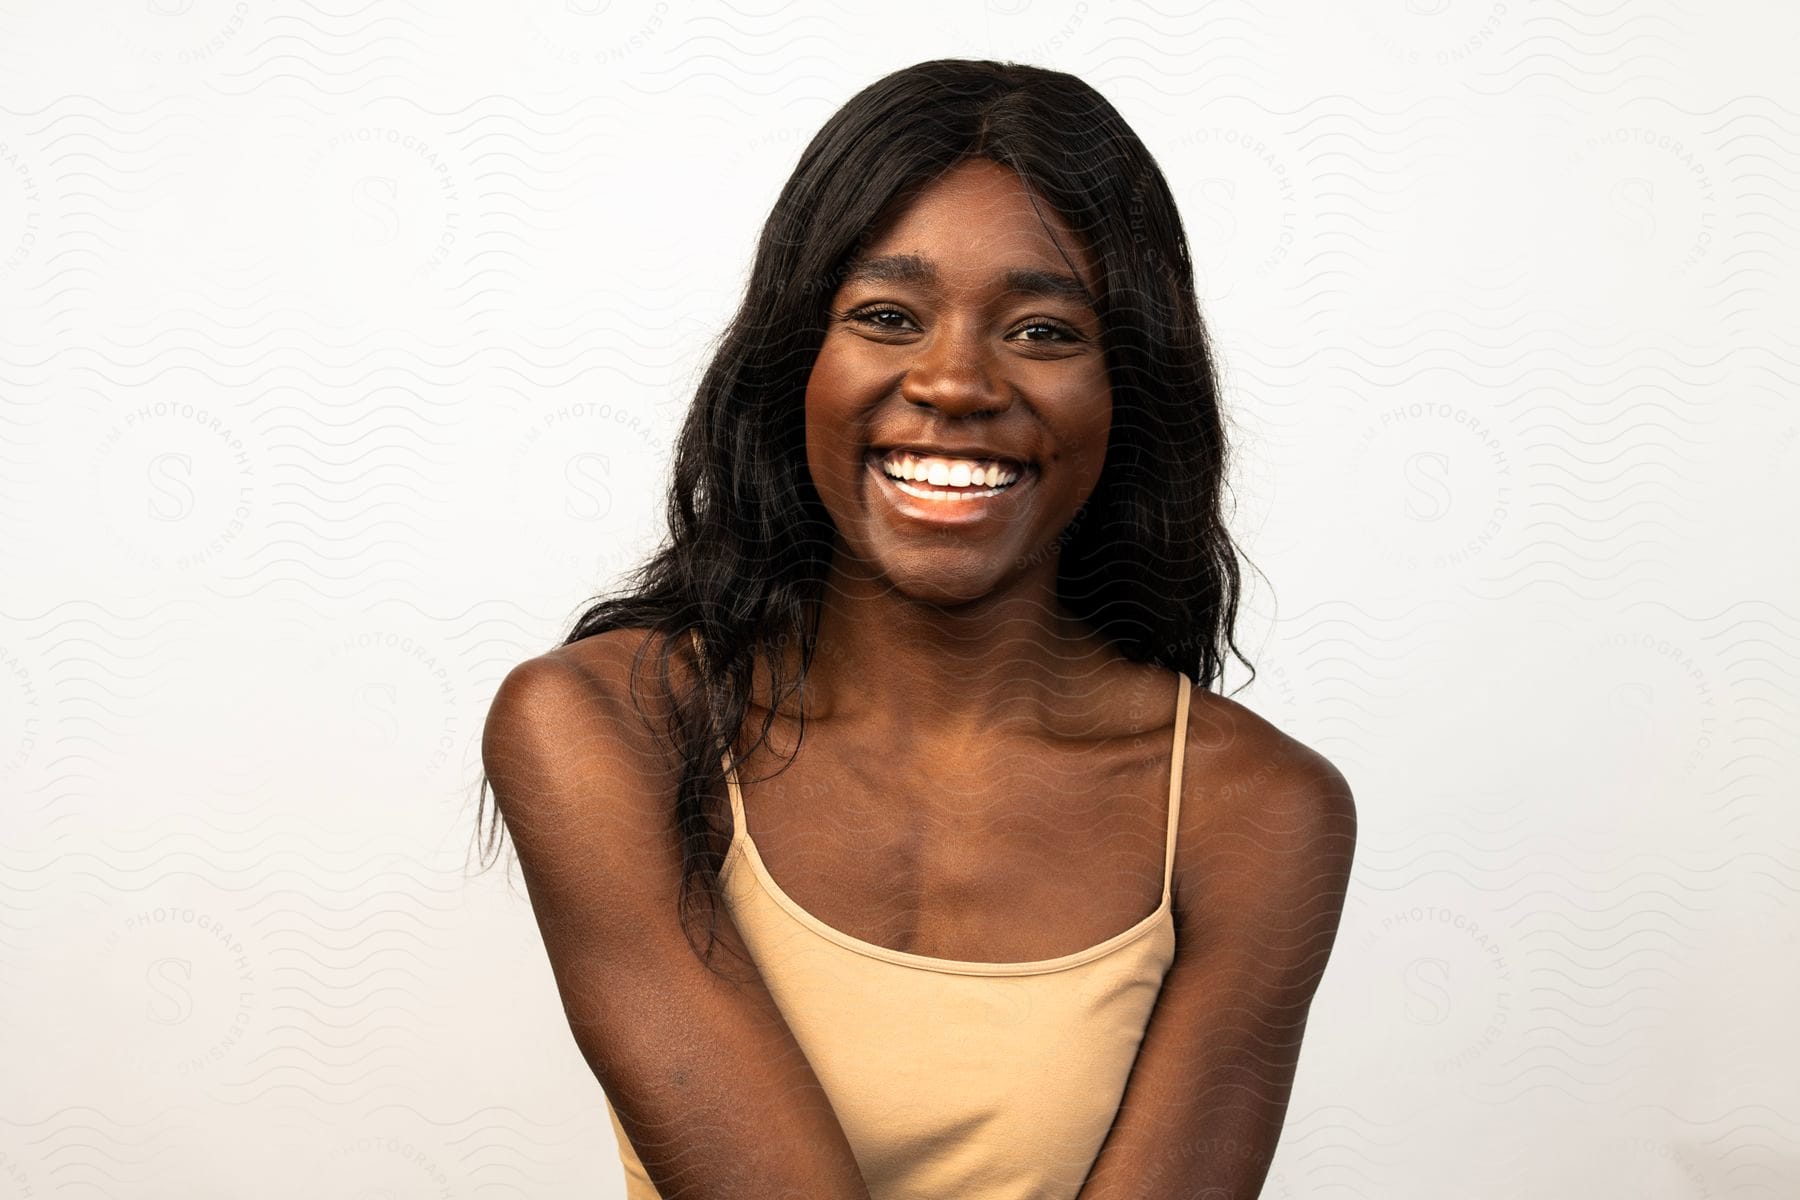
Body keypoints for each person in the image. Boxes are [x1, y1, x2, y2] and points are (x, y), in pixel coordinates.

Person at [475, 58, 1357, 1200]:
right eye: (887, 317)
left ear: (1128, 387)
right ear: (797, 362)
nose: (953, 382)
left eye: (1043, 331)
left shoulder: (1258, 813)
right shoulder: (607, 725)